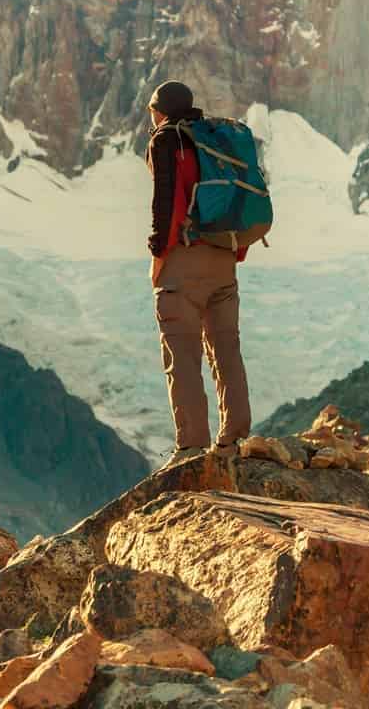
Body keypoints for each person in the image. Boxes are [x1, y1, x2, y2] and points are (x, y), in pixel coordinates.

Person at [145, 79, 251, 467]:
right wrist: (233, 250)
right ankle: (234, 440)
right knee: (227, 348)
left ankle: (191, 448)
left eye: (152, 111)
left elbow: (166, 203)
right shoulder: (217, 139)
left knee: (183, 355)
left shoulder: (166, 139)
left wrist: (159, 251)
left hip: (184, 261)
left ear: (160, 110)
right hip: (224, 257)